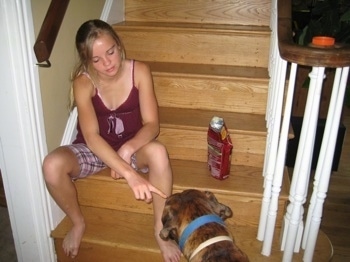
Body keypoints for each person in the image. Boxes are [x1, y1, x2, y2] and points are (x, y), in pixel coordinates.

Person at [42, 19, 181, 262]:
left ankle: (162, 231)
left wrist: (127, 150)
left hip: (135, 146)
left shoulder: (140, 71)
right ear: (87, 61)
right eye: (96, 59)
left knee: (159, 153)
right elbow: (92, 138)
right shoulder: (83, 82)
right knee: (51, 166)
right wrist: (129, 173)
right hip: (94, 150)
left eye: (111, 51)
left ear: (118, 45)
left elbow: (152, 125)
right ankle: (77, 222)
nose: (107, 63)